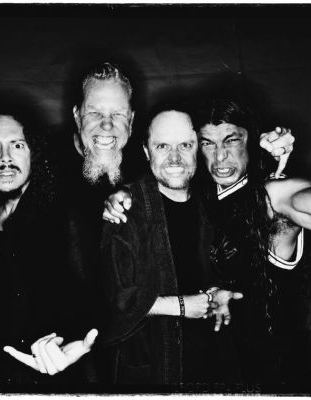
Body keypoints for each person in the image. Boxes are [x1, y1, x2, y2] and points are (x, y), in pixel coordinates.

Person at [103, 98, 311, 385]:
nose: (220, 156)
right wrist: (124, 193)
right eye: (208, 143)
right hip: (212, 372)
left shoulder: (270, 195)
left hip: (271, 375)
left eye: (232, 140)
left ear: (253, 142)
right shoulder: (200, 199)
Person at [0, 107, 96, 388]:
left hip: (46, 378)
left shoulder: (65, 214)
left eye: (17, 145)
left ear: (34, 153)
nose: (5, 158)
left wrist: (73, 342)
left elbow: (93, 296)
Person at [101, 108, 245, 386]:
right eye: (163, 146)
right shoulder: (125, 209)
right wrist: (180, 306)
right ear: (146, 152)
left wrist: (219, 292)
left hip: (211, 366)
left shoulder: (210, 202)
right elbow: (116, 299)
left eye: (185, 145)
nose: (175, 158)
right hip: (155, 371)